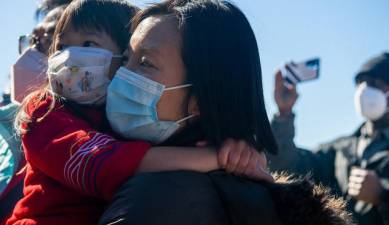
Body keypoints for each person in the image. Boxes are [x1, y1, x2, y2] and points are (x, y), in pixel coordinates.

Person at [7, 1, 268, 225]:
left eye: (88, 43)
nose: (69, 57)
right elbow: (103, 162)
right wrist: (215, 158)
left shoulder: (120, 114)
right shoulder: (43, 111)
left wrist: (237, 151)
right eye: (61, 46)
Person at [98, 0, 353, 224]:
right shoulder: (255, 194)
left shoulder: (154, 197)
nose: (120, 75)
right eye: (125, 58)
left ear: (199, 100)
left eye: (145, 63)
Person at [270, 52, 389, 225]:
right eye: (361, 83)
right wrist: (284, 115)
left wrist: (384, 197)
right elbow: (288, 167)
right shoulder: (339, 150)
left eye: (374, 84)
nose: (364, 91)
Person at [0, 3, 68, 224]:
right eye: (31, 41)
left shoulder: (83, 145)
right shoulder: (4, 132)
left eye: (45, 41)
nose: (30, 53)